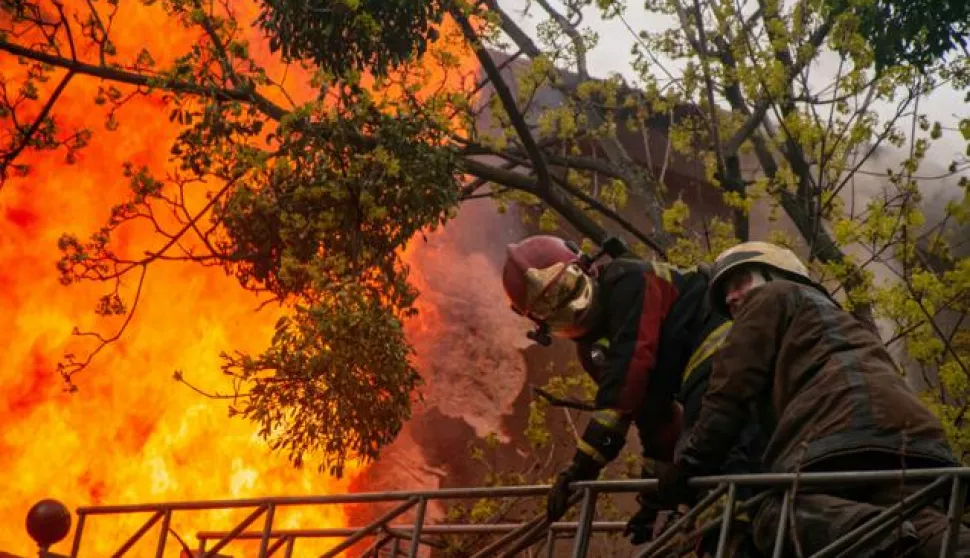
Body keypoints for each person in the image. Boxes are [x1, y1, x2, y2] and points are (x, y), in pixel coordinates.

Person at [657, 240, 970, 557]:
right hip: (916, 441)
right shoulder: (844, 322)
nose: (731, 297)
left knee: (772, 511)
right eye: (726, 293)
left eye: (740, 282)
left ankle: (883, 539)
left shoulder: (769, 297)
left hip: (841, 431)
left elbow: (729, 392)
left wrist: (687, 468)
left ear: (775, 274)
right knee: (921, 523)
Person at [501, 234, 764, 552]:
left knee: (710, 438)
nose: (573, 310)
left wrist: (580, 467)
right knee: (693, 453)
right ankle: (727, 536)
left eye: (570, 290)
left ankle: (738, 533)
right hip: (696, 380)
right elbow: (655, 420)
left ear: (587, 268)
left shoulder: (630, 280)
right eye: (554, 311)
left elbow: (629, 376)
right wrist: (652, 501)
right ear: (542, 326)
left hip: (722, 342)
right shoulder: (593, 353)